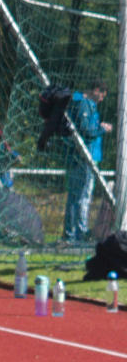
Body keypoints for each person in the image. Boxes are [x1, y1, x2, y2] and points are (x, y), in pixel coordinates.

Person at [62, 82, 112, 244]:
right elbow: (86, 131)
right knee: (81, 196)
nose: (102, 99)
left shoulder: (84, 103)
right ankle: (77, 233)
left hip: (87, 157)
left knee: (78, 196)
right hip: (84, 158)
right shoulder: (83, 104)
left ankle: (73, 233)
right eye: (102, 95)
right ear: (96, 90)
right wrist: (102, 129)